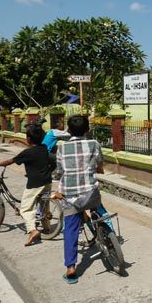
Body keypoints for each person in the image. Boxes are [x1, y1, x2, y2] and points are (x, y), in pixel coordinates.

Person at [51, 115, 104, 284]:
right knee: (99, 209)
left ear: (68, 131)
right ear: (88, 130)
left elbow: (59, 171)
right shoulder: (94, 144)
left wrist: (58, 175)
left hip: (70, 195)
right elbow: (99, 163)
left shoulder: (61, 148)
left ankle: (71, 267)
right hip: (90, 192)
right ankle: (106, 234)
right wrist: (98, 169)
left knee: (70, 229)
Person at [0, 122, 53, 247]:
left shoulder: (27, 153)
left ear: (29, 139)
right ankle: (47, 228)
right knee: (44, 205)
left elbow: (10, 161)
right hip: (47, 181)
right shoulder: (44, 148)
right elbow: (32, 147)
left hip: (35, 183)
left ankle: (32, 230)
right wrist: (17, 140)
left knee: (25, 208)